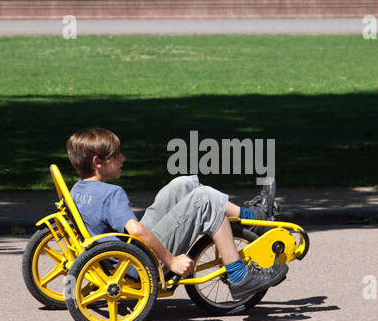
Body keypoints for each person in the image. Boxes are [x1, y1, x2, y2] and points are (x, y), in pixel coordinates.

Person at [65, 127, 284, 302]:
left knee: (182, 184)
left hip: (122, 254)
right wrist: (170, 261)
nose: (123, 159)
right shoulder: (111, 194)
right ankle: (239, 276)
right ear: (98, 162)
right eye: (116, 155)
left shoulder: (77, 190)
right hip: (138, 262)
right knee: (204, 198)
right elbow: (136, 230)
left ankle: (254, 218)